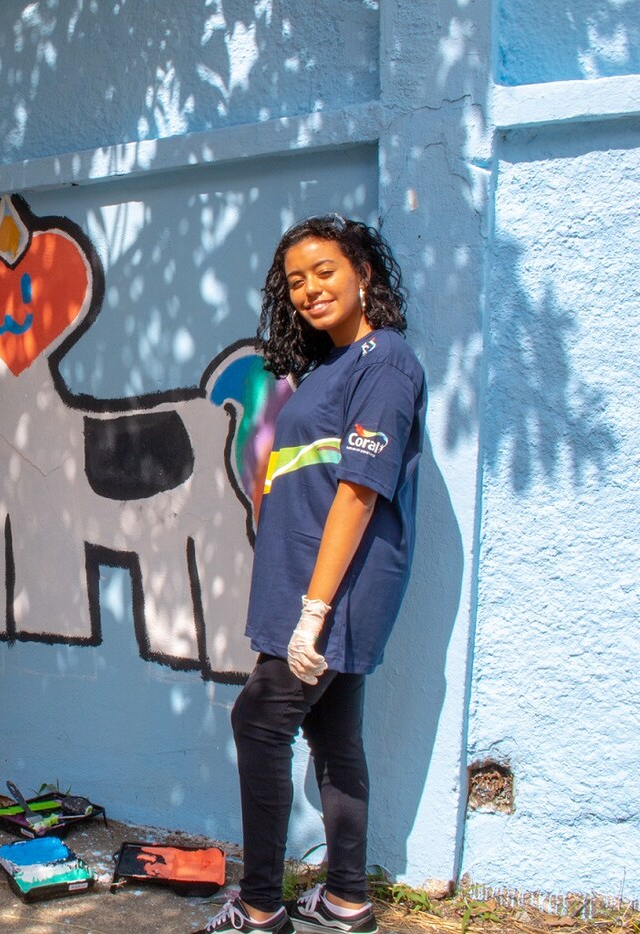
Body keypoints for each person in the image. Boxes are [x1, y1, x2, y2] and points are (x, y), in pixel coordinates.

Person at [197, 215, 425, 934]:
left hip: (333, 590)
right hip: (308, 583)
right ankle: (346, 899)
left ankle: (261, 906)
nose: (310, 289)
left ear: (364, 273)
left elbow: (358, 492)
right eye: (296, 280)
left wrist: (314, 610)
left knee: (259, 722)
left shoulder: (384, 362)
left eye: (325, 271)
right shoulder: (329, 367)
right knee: (332, 737)